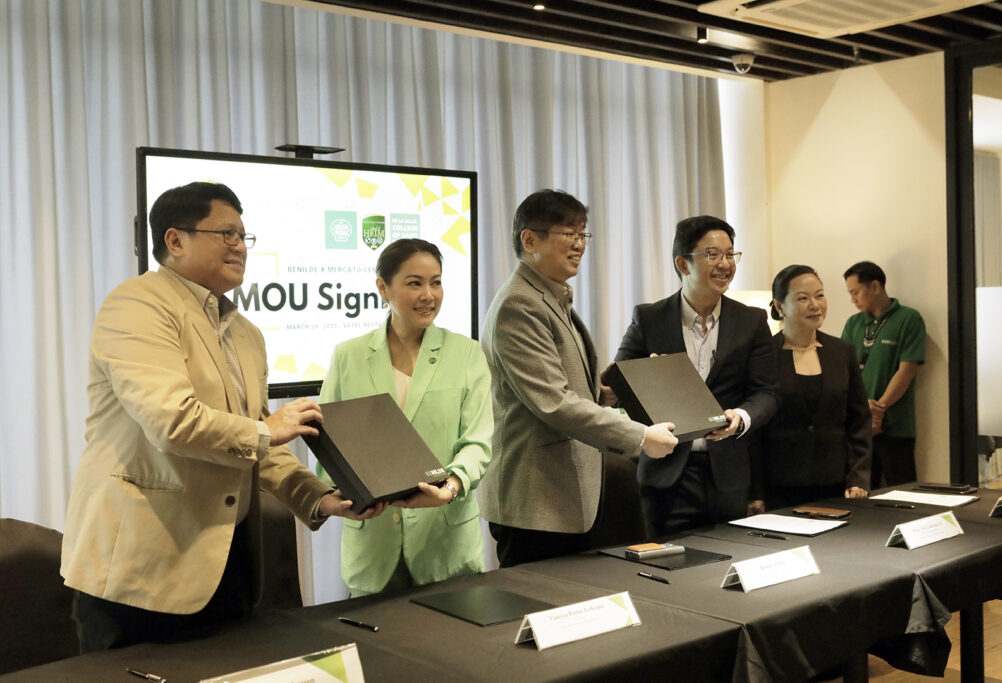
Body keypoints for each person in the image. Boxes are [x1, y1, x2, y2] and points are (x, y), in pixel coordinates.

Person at [60, 182, 383, 653]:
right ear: (175, 240)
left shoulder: (246, 333)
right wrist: (267, 430)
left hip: (228, 566)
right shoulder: (137, 304)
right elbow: (172, 421)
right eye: (226, 234)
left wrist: (322, 498)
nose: (240, 247)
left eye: (243, 236)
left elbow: (257, 444)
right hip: (142, 568)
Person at [478, 189, 678, 567]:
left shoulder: (549, 296)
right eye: (568, 233)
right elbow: (553, 402)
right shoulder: (519, 304)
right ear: (529, 240)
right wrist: (640, 436)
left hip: (563, 496)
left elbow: (565, 389)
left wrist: (614, 390)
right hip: (535, 500)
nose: (579, 244)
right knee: (537, 601)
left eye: (583, 233)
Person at [318, 239, 492, 596]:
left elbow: (478, 442)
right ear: (383, 287)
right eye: (415, 283)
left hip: (445, 542)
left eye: (436, 282)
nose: (428, 295)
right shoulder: (348, 356)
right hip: (373, 542)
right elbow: (329, 442)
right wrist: (342, 493)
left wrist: (451, 486)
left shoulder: (466, 353)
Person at [615, 215, 777, 536]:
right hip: (666, 475)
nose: (725, 264)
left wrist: (740, 418)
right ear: (683, 263)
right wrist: (652, 379)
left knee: (730, 559)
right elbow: (619, 385)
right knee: (664, 561)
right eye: (712, 255)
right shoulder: (649, 318)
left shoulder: (752, 321)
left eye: (730, 254)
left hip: (727, 475)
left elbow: (767, 393)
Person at [749, 265, 871, 512]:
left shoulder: (842, 352)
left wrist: (858, 478)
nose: (815, 305)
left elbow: (859, 420)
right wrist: (755, 492)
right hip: (779, 489)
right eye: (803, 298)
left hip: (837, 485)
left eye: (820, 295)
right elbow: (754, 434)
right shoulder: (763, 355)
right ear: (780, 306)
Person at [841, 261, 926, 488]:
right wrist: (864, 410)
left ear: (875, 287)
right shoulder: (853, 324)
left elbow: (906, 370)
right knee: (862, 492)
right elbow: (843, 370)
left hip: (895, 427)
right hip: (859, 426)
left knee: (902, 491)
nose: (853, 300)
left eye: (856, 292)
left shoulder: (908, 319)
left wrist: (879, 409)